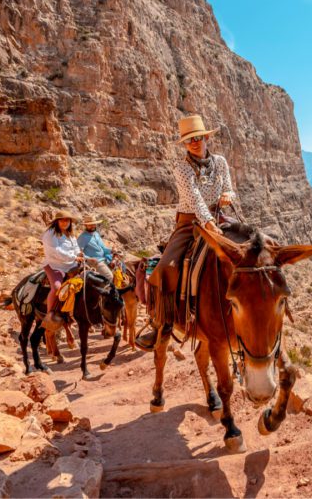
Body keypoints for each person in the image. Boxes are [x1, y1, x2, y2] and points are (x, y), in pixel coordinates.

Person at [136, 115, 236, 349]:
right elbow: (195, 199)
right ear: (184, 144)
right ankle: (160, 323)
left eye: (198, 138)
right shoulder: (182, 168)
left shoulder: (220, 162)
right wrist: (208, 223)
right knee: (165, 269)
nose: (194, 143)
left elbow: (229, 188)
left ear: (206, 138)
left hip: (219, 217)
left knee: (250, 246)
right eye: (189, 140)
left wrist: (229, 196)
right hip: (190, 223)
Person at [41, 210, 83, 327]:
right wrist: (74, 257)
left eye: (67, 220)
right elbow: (56, 251)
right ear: (57, 221)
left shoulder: (70, 235)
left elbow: (75, 247)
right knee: (57, 288)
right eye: (62, 220)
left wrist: (79, 254)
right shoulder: (50, 234)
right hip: (54, 265)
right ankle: (50, 315)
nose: (65, 222)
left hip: (71, 265)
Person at [77, 214, 116, 282]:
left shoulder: (96, 234)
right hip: (95, 262)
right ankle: (106, 292)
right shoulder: (82, 237)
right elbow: (78, 253)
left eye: (94, 224)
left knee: (120, 267)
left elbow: (103, 249)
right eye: (90, 224)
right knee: (109, 276)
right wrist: (89, 259)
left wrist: (111, 251)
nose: (93, 226)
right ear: (85, 225)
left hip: (104, 258)